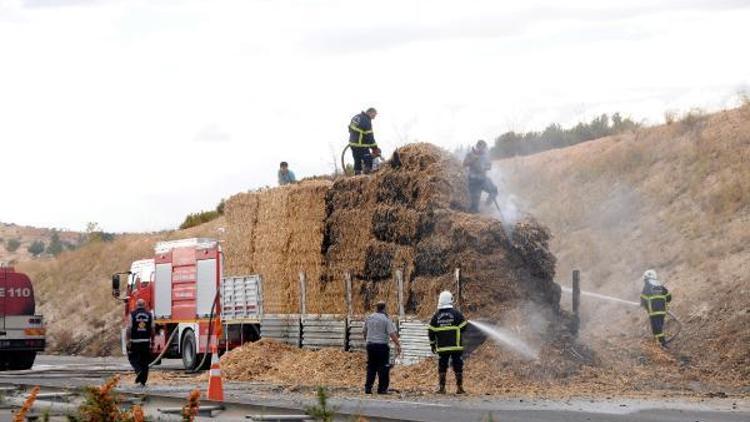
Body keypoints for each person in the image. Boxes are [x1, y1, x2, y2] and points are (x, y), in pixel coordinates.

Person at [428, 291, 468, 394]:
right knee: (458, 366)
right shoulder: (456, 314)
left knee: (442, 366)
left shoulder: (436, 316)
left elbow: (431, 331)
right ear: (450, 300)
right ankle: (459, 388)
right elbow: (464, 326)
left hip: (442, 347)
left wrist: (432, 344)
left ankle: (442, 388)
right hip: (456, 347)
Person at [362, 300, 401, 394]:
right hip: (382, 346)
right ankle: (382, 389)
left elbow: (364, 331)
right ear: (384, 308)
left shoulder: (369, 317)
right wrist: (398, 344)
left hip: (370, 346)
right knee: (383, 368)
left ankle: (368, 388)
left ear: (376, 308)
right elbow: (392, 333)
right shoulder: (386, 319)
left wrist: (367, 341)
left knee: (371, 367)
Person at [463, 140, 498, 213]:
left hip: (483, 179)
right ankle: (474, 210)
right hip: (474, 182)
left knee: (494, 191)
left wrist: (485, 167)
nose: (483, 149)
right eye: (482, 147)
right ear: (477, 146)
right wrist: (473, 160)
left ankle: (486, 206)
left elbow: (489, 166)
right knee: (474, 208)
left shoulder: (485, 155)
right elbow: (464, 164)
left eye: (484, 148)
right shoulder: (470, 154)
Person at [640, 269, 672, 347]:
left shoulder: (647, 286)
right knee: (659, 327)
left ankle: (662, 344)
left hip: (654, 311)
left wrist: (642, 304)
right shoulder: (659, 285)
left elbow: (643, 297)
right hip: (662, 311)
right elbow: (669, 296)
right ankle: (659, 342)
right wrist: (665, 303)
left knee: (656, 329)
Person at [126, 298, 153, 387]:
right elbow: (153, 328)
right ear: (144, 305)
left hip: (135, 341)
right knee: (145, 361)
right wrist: (152, 340)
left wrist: (128, 340)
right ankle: (143, 381)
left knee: (133, 358)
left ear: (136, 305)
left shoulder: (132, 315)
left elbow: (129, 328)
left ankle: (138, 371)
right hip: (146, 341)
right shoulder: (149, 315)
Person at [348, 108, 381, 175]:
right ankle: (367, 176)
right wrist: (375, 148)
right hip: (361, 146)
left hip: (353, 145)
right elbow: (370, 137)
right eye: (374, 115)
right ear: (370, 113)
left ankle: (357, 176)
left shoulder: (356, 117)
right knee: (368, 161)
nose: (374, 117)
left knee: (357, 161)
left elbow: (350, 129)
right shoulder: (366, 121)